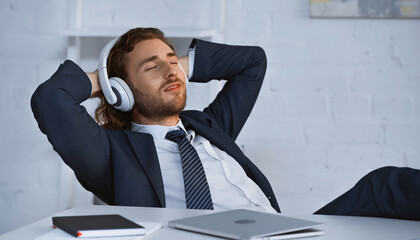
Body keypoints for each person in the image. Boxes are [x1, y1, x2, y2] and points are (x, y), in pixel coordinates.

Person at [31, 27, 281, 213]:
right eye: (152, 68)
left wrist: (176, 65)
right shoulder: (111, 155)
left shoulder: (209, 126)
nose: (172, 71)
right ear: (121, 91)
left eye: (173, 62)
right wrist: (104, 81)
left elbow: (253, 62)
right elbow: (50, 99)